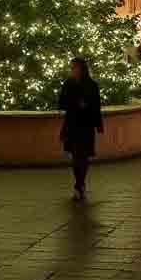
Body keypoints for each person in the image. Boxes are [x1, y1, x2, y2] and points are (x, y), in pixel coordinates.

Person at [58, 58, 104, 201]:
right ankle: (80, 185)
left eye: (75, 68)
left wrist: (98, 124)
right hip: (72, 124)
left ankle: (79, 185)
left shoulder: (91, 85)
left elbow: (96, 105)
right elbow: (61, 102)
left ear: (82, 69)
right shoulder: (68, 84)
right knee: (76, 156)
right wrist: (75, 103)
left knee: (82, 156)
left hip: (86, 125)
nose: (73, 71)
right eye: (72, 68)